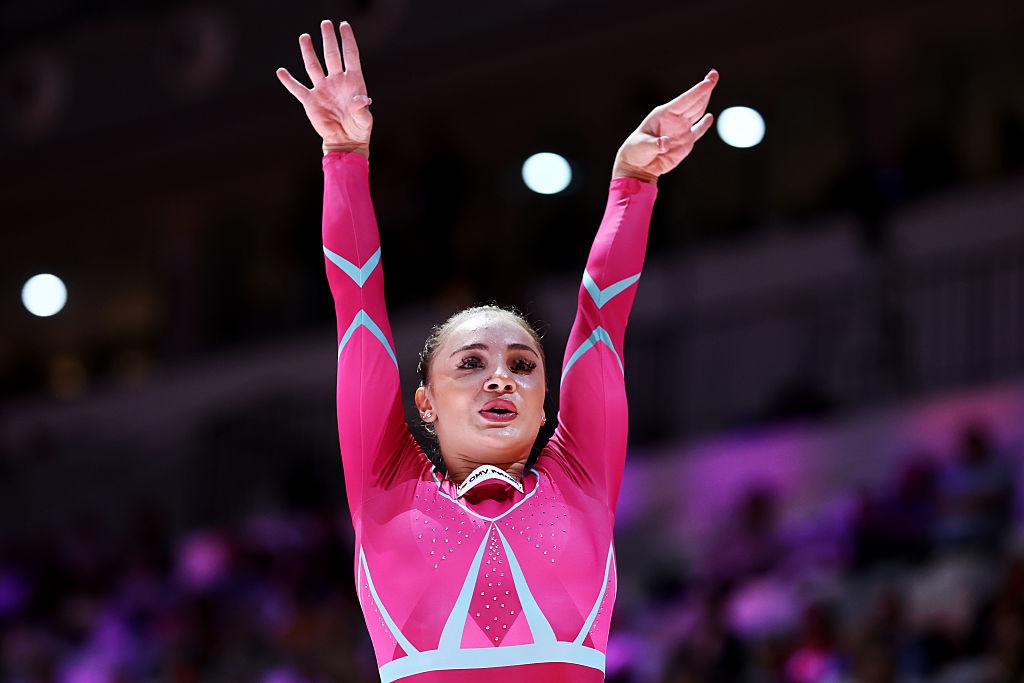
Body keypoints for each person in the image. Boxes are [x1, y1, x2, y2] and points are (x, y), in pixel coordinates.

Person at [276, 19, 718, 683]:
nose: (500, 378)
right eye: (470, 363)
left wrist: (633, 180)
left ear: (545, 405)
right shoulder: (385, 483)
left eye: (522, 365)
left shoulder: (582, 477)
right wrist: (343, 154)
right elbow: (357, 306)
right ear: (424, 403)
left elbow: (601, 321)